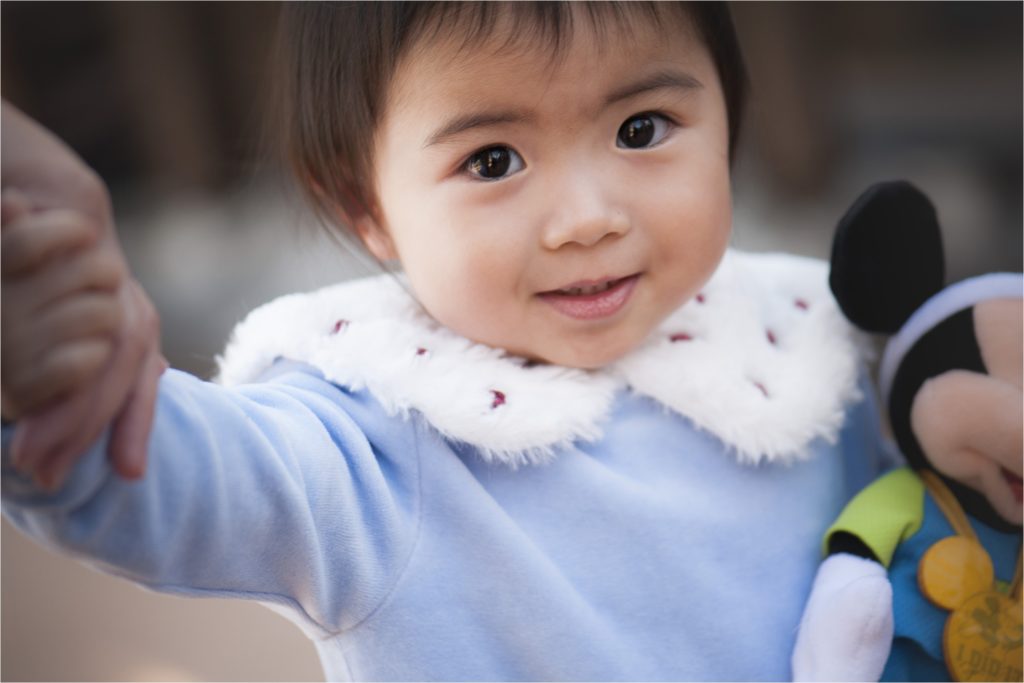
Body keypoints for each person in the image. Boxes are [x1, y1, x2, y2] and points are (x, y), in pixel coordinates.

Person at [1, 3, 888, 680]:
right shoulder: (371, 438)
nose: (588, 219)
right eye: (493, 160)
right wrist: (54, 389)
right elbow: (176, 481)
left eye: (640, 129)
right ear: (366, 206)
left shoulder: (809, 339)